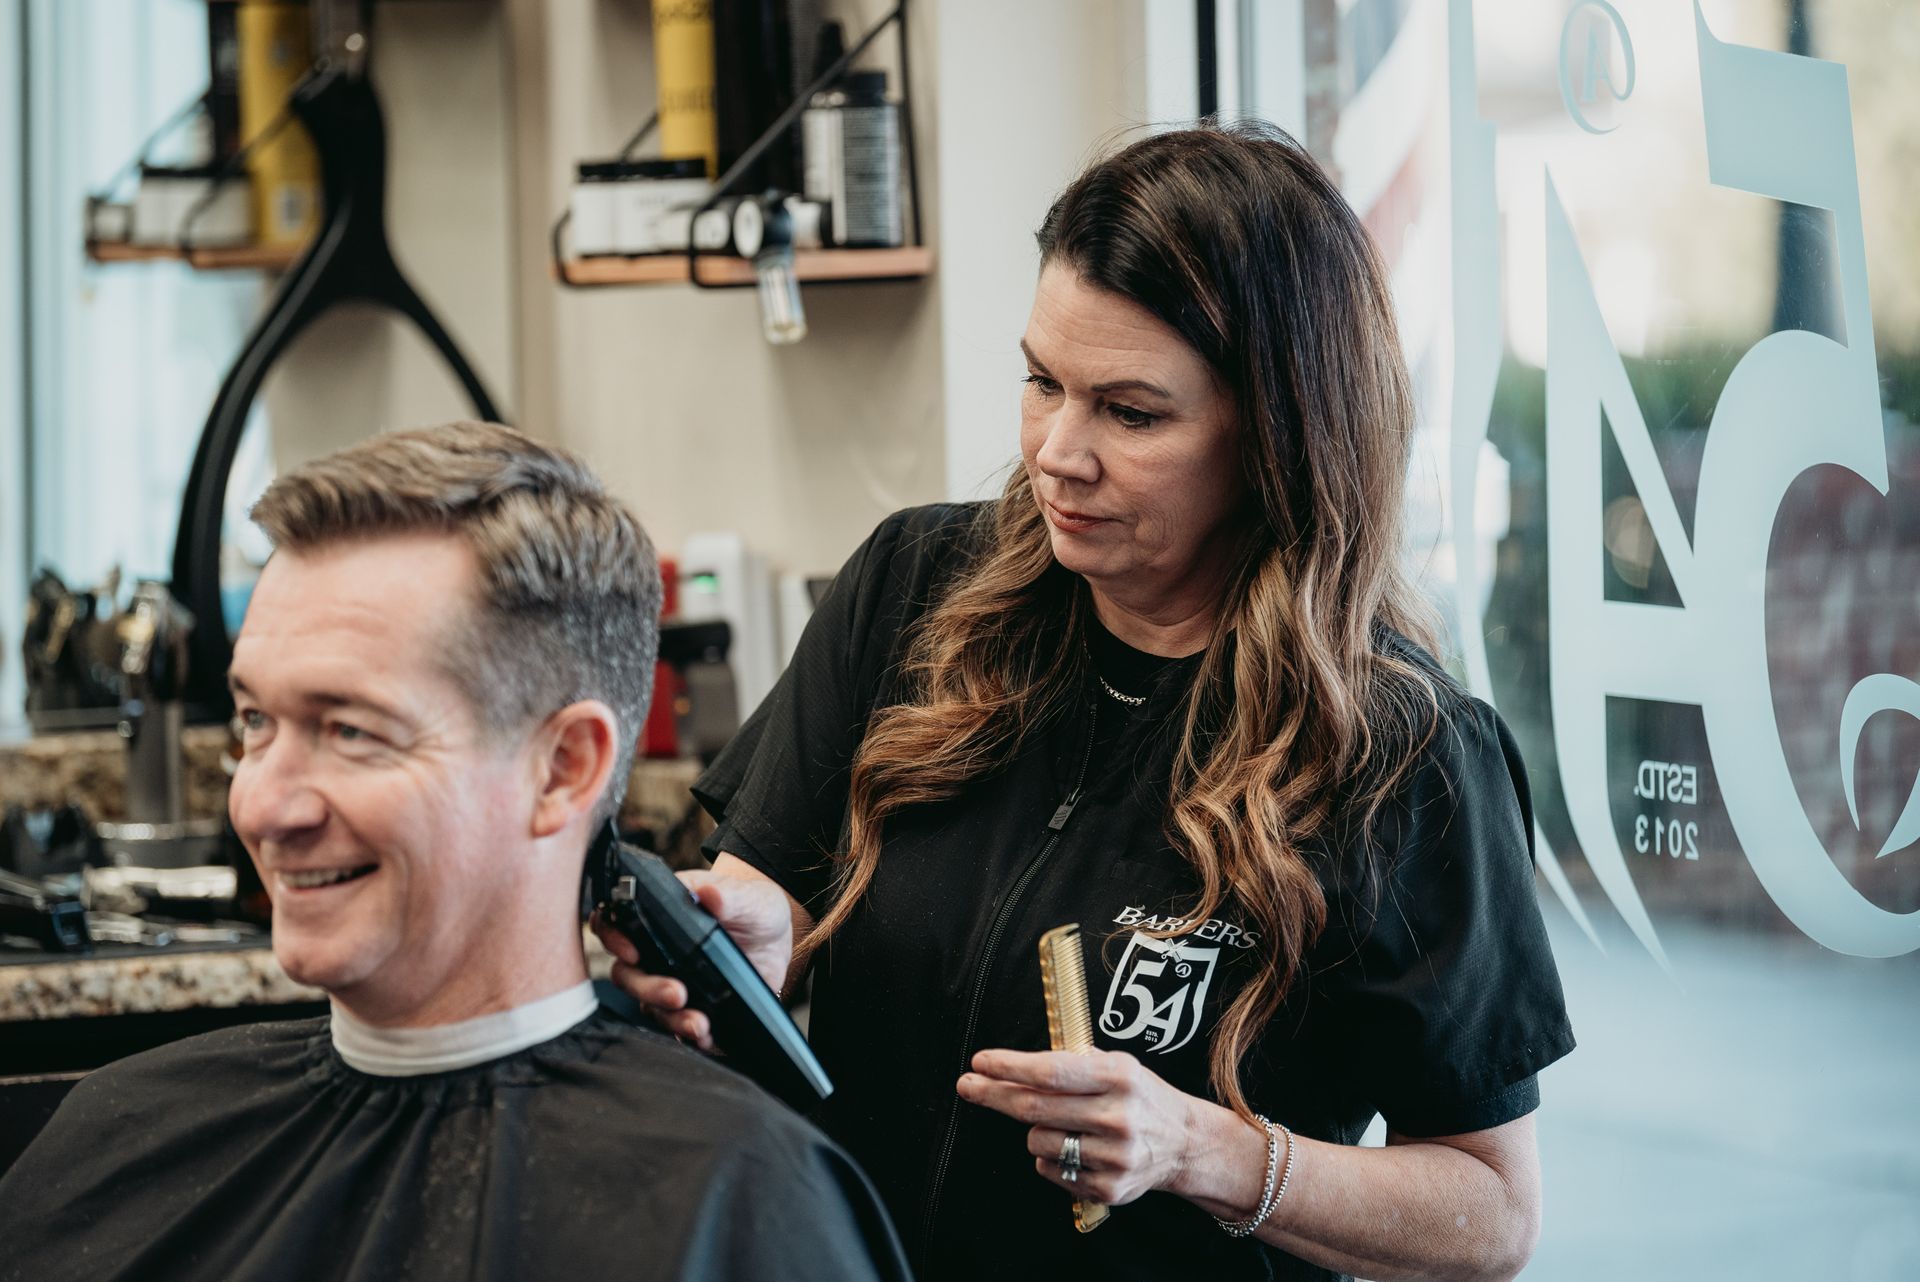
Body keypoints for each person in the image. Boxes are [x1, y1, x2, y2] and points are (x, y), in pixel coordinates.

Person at [605, 124, 1575, 1282]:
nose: (1058, 453)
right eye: (1042, 382)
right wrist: (754, 944)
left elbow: (1491, 1214)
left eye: (1130, 412)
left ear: (1278, 437)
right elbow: (770, 907)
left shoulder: (1403, 756)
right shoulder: (913, 591)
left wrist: (1202, 1150)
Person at [0, 423, 910, 1282]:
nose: (264, 804)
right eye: (255, 721)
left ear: (563, 767)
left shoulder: (737, 1205)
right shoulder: (118, 1136)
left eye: (352, 730)